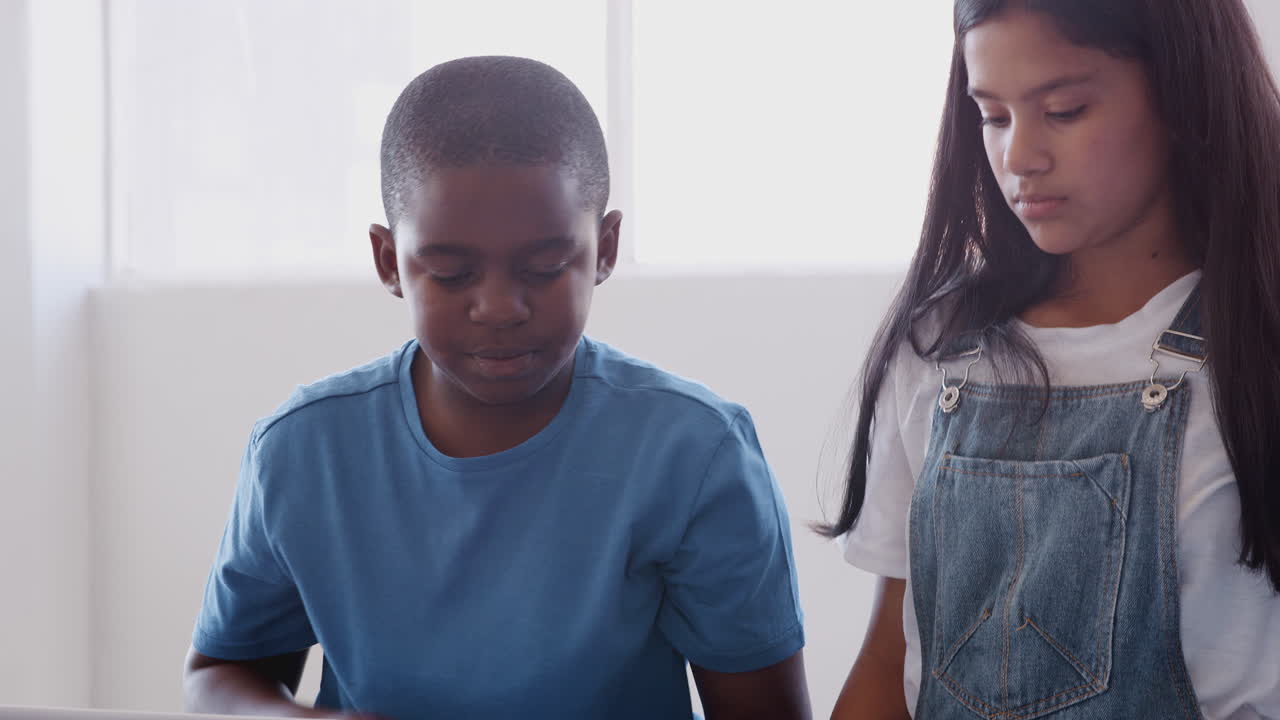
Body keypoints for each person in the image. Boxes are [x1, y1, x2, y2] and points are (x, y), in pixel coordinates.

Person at [183, 55, 810, 720]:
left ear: (605, 248)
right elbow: (221, 673)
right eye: (451, 274)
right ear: (390, 261)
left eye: (544, 267)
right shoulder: (303, 451)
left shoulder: (693, 455)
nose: (500, 307)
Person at [824, 2, 1280, 718]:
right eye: (994, 116)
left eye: (1064, 111)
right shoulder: (939, 346)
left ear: (1183, 93)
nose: (1019, 157)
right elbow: (886, 663)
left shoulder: (1257, 352)